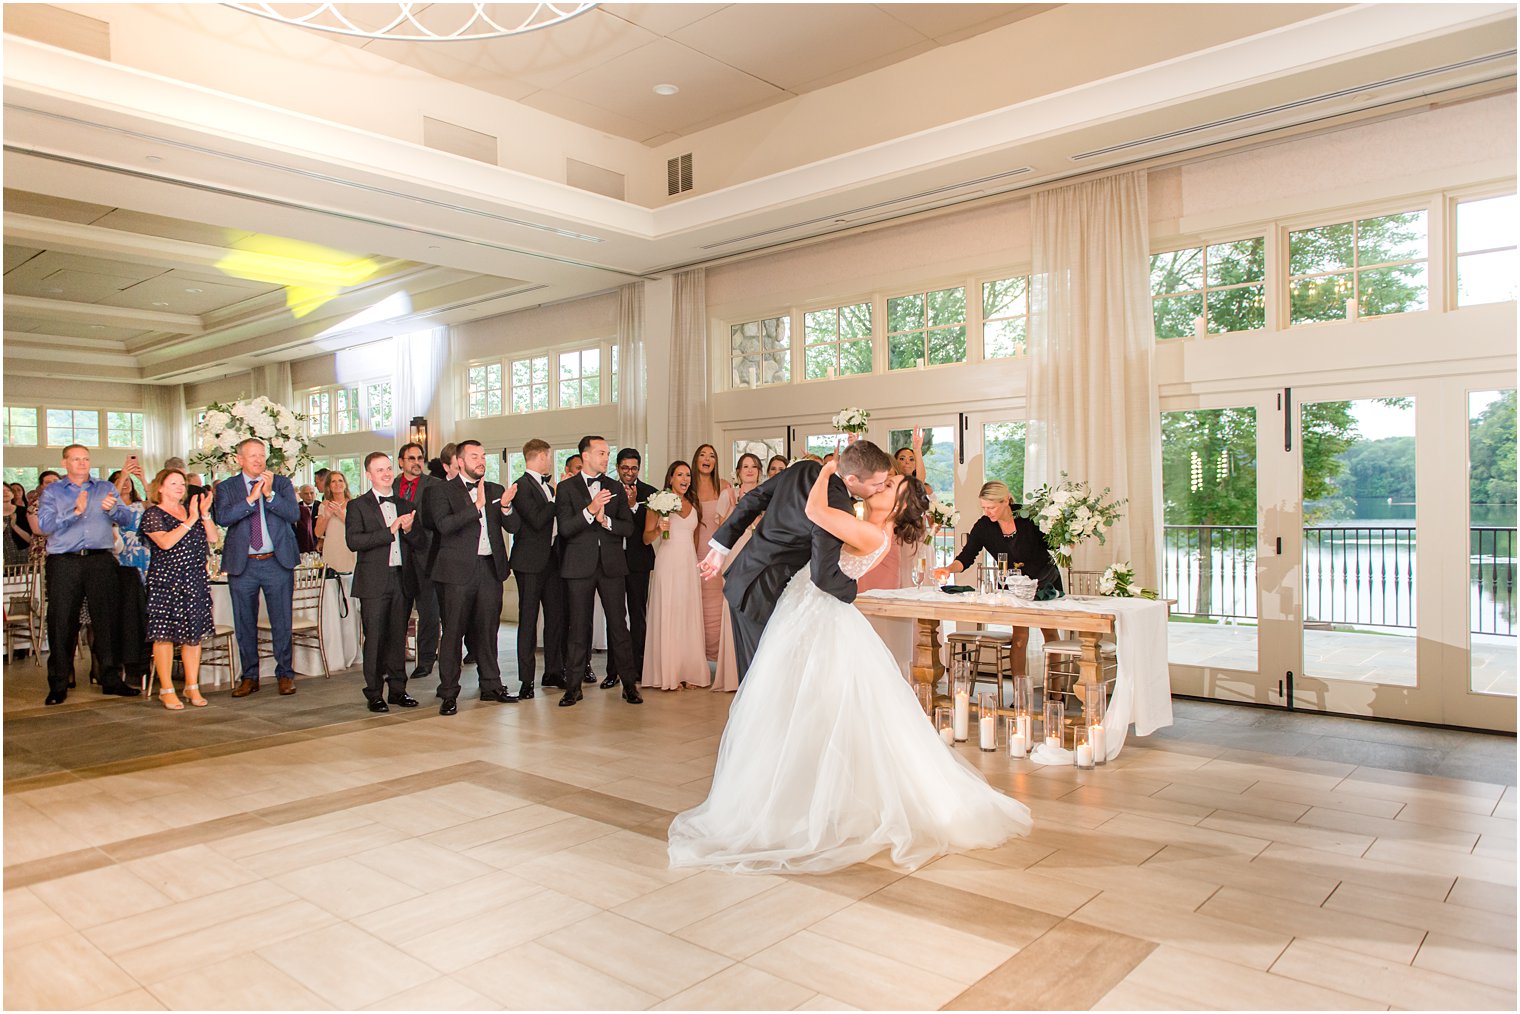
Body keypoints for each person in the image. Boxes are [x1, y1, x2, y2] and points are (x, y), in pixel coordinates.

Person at [669, 462, 1030, 874]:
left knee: (812, 704)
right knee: (806, 705)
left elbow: (816, 516)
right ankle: (802, 791)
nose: (883, 484)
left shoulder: (873, 531)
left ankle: (810, 798)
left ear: (897, 505)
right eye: (883, 479)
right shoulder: (862, 522)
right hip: (804, 610)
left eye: (890, 484)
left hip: (819, 616)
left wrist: (827, 472)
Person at [700, 441, 892, 682]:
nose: (880, 488)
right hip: (765, 593)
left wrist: (719, 548)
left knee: (757, 679)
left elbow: (753, 499)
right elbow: (823, 574)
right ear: (852, 479)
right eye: (876, 484)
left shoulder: (805, 469)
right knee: (764, 682)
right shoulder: (837, 505)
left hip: (745, 576)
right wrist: (854, 595)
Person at [36, 445, 143, 704]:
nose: (82, 463)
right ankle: (59, 683)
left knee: (106, 621)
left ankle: (110, 678)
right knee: (62, 622)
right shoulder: (53, 491)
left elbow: (127, 518)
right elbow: (45, 525)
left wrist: (112, 510)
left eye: (86, 459)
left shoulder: (104, 488)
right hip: (65, 562)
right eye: (76, 459)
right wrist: (75, 512)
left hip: (100, 559)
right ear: (65, 463)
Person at [934, 480, 1063, 679]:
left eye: (991, 507)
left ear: (1006, 501)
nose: (987, 512)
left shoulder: (1029, 517)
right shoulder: (984, 526)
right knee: (1019, 637)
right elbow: (967, 556)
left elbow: (1054, 542)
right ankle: (1020, 692)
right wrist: (948, 569)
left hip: (1044, 582)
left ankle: (1056, 692)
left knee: (1051, 635)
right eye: (984, 507)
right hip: (1013, 586)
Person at [427, 440, 516, 715]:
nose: (480, 460)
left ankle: (491, 684)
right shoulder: (441, 491)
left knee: (489, 630)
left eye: (483, 456)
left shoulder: (495, 490)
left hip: (489, 569)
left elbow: (513, 526)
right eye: (474, 456)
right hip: (456, 572)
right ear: (460, 461)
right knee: (453, 631)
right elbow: (443, 526)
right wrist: (475, 507)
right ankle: (449, 692)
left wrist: (505, 508)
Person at [212, 437, 301, 698]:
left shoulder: (281, 483)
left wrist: (269, 494)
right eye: (252, 456)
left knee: (282, 621)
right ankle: (249, 677)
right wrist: (250, 499)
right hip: (243, 565)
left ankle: (285, 674)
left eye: (261, 455)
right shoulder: (227, 487)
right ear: (239, 459)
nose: (259, 460)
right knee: (244, 623)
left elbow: (293, 514)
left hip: (276, 561)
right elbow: (224, 518)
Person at [555, 435, 641, 706]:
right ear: (586, 456)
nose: (606, 457)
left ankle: (629, 685)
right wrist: (590, 511)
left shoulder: (615, 487)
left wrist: (606, 520)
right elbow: (565, 529)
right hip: (579, 566)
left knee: (619, 626)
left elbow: (628, 528)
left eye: (607, 453)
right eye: (601, 453)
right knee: (578, 627)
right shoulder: (566, 488)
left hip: (612, 566)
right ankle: (573, 687)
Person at [344, 451, 423, 713]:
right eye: (380, 470)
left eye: (389, 468)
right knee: (375, 637)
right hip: (374, 580)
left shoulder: (403, 503)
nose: (387, 473)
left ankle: (398, 690)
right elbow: (354, 542)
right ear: (369, 475)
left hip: (401, 577)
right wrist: (389, 531)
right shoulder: (358, 506)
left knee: (397, 637)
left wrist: (409, 530)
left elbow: (419, 543)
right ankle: (374, 692)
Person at [141, 468, 216, 709]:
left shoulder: (190, 511)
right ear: (160, 487)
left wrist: (203, 515)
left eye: (182, 483)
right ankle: (166, 689)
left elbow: (213, 539)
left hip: (194, 579)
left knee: (194, 636)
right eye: (173, 483)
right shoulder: (153, 514)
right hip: (167, 580)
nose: (180, 487)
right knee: (164, 636)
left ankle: (192, 685)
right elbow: (165, 542)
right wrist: (191, 519)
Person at [503, 439, 566, 698]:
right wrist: (557, 496)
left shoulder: (546, 486)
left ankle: (553, 672)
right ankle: (526, 680)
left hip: (553, 559)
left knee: (555, 618)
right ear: (540, 456)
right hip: (529, 562)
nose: (550, 460)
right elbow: (538, 520)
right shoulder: (522, 486)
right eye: (548, 456)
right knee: (528, 621)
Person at [641, 461, 706, 691]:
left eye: (688, 475)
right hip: (668, 562)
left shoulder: (693, 502)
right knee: (670, 612)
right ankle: (669, 673)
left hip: (688, 564)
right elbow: (646, 539)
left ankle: (688, 671)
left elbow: (695, 537)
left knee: (686, 614)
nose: (685, 479)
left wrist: (695, 563)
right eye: (680, 474)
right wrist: (660, 527)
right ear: (670, 478)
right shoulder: (658, 502)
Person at [604, 448, 657, 690]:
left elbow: (643, 531)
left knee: (638, 616)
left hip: (638, 562)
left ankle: (637, 668)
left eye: (634, 468)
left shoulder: (650, 494)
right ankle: (612, 670)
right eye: (625, 468)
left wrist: (635, 506)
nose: (629, 472)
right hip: (612, 561)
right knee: (615, 617)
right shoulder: (607, 491)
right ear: (617, 467)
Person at [712, 453, 765, 692]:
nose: (750, 470)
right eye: (745, 466)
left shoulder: (767, 494)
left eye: (754, 466)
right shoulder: (728, 494)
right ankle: (732, 674)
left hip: (759, 552)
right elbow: (722, 528)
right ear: (738, 471)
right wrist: (736, 506)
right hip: (734, 551)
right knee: (733, 604)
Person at [104, 465, 153, 691]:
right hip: (122, 561)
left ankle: (148, 664)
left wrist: (141, 477)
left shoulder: (139, 505)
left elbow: (155, 500)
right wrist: (123, 473)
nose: (125, 484)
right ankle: (130, 666)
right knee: (130, 614)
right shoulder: (112, 508)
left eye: (127, 481)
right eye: (120, 481)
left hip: (144, 558)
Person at [395, 442, 440, 681]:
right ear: (401, 462)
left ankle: (426, 660)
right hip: (398, 558)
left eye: (419, 458)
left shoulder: (435, 486)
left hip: (426, 555)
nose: (416, 462)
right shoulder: (391, 486)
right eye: (410, 458)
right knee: (398, 612)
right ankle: (394, 661)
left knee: (429, 612)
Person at [691, 443, 732, 662]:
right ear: (696, 459)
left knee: (718, 603)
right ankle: (697, 659)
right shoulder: (688, 487)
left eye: (712, 456)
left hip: (719, 553)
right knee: (697, 603)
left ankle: (720, 657)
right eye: (703, 455)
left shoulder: (725, 487)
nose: (707, 459)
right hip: (696, 551)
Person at [315, 471, 356, 573]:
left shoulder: (354, 504)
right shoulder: (324, 505)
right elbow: (317, 533)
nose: (337, 484)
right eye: (333, 481)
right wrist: (327, 517)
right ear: (329, 486)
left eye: (340, 481)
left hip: (349, 547)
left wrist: (340, 514)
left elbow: (357, 527)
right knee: (331, 583)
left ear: (345, 484)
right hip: (332, 548)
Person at [294, 484, 319, 553]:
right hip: (301, 544)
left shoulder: (321, 506)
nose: (309, 496)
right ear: (300, 495)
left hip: (318, 542)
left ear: (316, 494)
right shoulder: (295, 507)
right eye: (306, 493)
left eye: (311, 493)